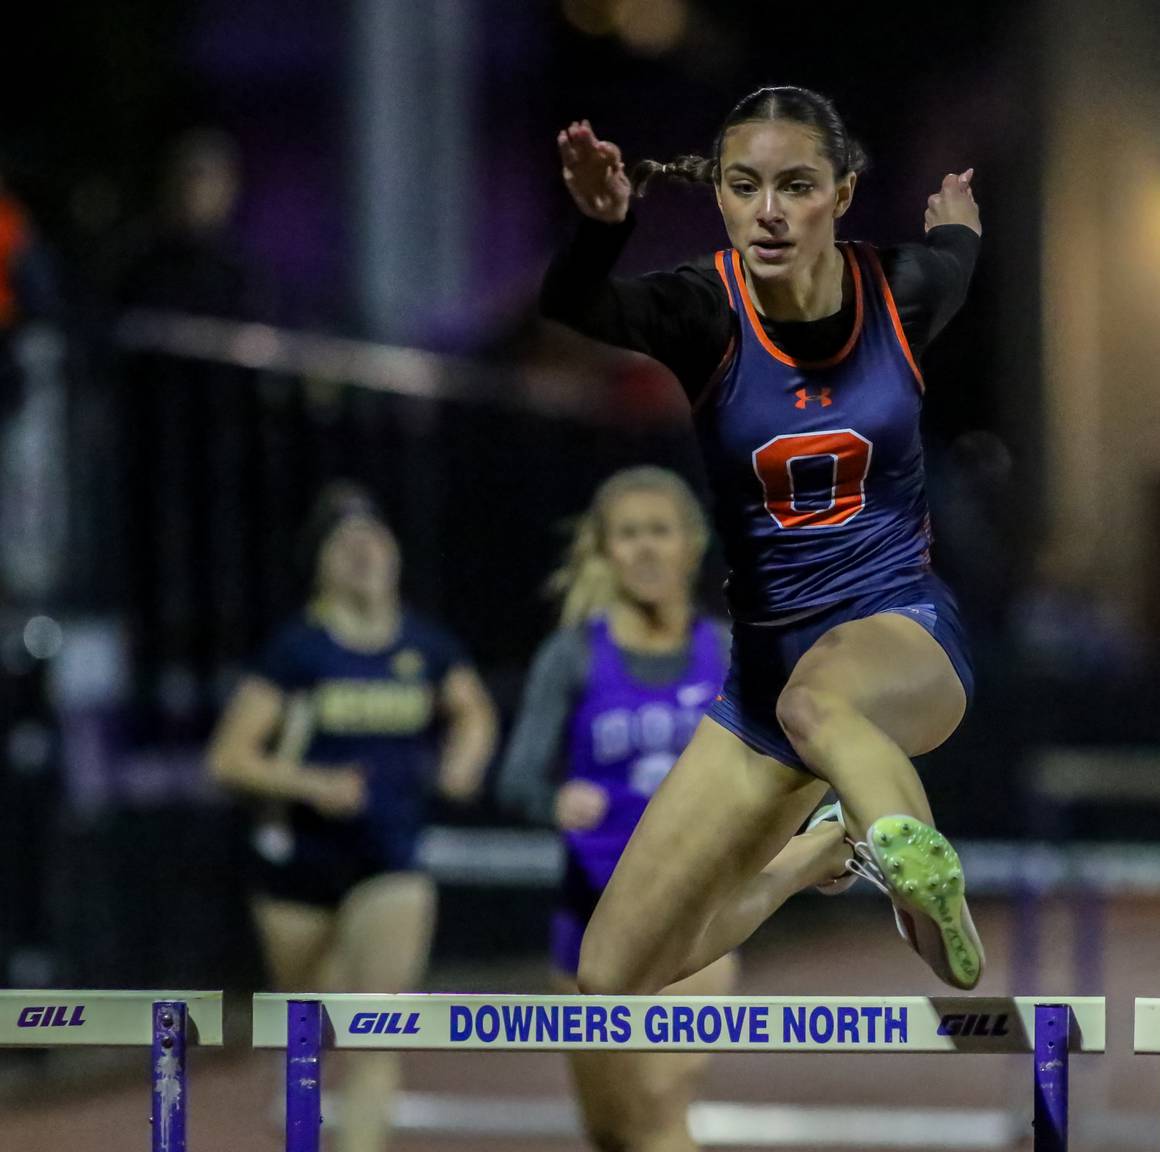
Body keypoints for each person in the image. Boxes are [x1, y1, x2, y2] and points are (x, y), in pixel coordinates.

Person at [539, 86, 986, 993]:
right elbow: (576, 303)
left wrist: (960, 228)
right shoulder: (706, 310)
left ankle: (923, 877)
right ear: (719, 196)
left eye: (796, 186)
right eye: (745, 187)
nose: (770, 213)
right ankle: (823, 852)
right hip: (761, 687)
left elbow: (956, 261)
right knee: (610, 974)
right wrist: (600, 224)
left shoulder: (903, 289)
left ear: (844, 193)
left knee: (821, 704)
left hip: (900, 633)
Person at [497, 465, 847, 1152]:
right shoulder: (570, 658)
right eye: (628, 535)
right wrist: (552, 798)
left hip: (696, 918)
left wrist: (813, 834)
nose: (647, 549)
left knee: (660, 1109)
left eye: (660, 531)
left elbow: (789, 760)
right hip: (588, 925)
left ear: (691, 544)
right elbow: (514, 779)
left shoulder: (728, 656)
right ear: (603, 551)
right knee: (612, 1130)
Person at [207, 483, 497, 1152]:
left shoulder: (425, 646)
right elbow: (228, 758)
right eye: (346, 546)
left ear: (394, 555)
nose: (363, 555)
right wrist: (311, 782)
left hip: (390, 857)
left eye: (374, 542)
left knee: (375, 1032)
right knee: (306, 1023)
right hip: (298, 863)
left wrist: (464, 762)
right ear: (322, 565)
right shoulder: (297, 651)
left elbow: (473, 710)